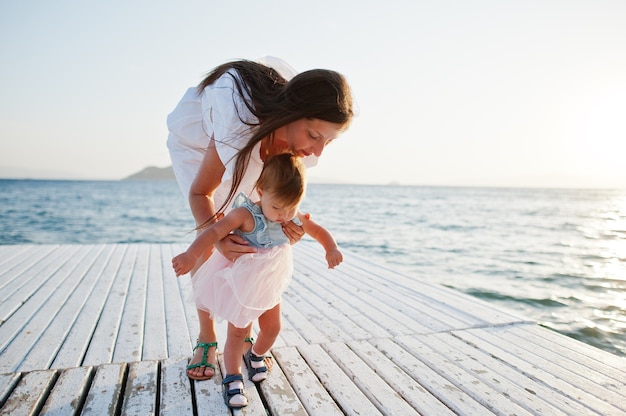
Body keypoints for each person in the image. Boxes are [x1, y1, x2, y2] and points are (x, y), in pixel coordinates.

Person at [166, 56, 353, 382]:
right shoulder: (237, 126)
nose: (319, 151)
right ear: (293, 115)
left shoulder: (298, 147)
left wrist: (285, 228)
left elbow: (271, 209)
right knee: (214, 236)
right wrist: (219, 237)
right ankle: (207, 336)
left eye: (329, 141)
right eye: (314, 135)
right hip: (204, 144)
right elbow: (200, 194)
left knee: (253, 242)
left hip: (265, 141)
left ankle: (243, 327)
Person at [172, 153, 342, 408]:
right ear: (261, 191)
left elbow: (317, 230)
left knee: (273, 328)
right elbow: (214, 232)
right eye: (277, 208)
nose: (284, 215)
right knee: (238, 331)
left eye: (291, 207)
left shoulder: (290, 213)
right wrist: (191, 253)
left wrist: (331, 248)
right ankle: (232, 377)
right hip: (242, 284)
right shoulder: (245, 214)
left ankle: (256, 355)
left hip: (269, 284)